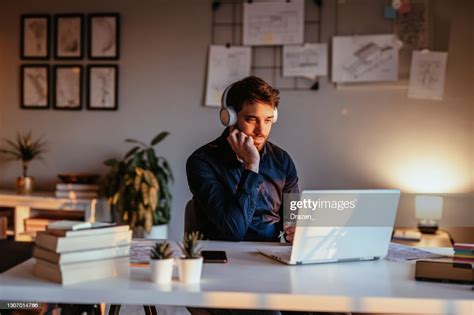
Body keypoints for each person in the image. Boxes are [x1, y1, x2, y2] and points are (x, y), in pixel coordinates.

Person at [186, 76, 298, 244]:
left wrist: (296, 230)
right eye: (251, 119)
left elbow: (293, 218)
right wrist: (251, 165)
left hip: (270, 256)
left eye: (268, 120)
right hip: (222, 255)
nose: (261, 130)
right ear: (229, 117)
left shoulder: (282, 161)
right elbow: (233, 231)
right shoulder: (202, 162)